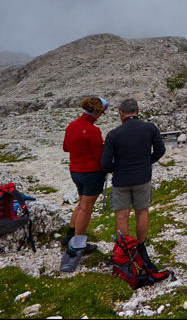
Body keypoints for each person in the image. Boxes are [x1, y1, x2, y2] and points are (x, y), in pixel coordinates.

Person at [101, 98, 165, 258]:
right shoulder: (150, 128)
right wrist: (147, 161)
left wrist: (116, 168)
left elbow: (105, 163)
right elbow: (160, 150)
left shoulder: (113, 134)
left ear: (121, 113)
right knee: (142, 212)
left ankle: (124, 251)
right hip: (142, 178)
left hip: (121, 180)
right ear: (138, 111)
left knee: (121, 215)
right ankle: (141, 247)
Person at [60, 96, 108, 255]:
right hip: (91, 173)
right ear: (98, 112)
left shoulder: (71, 126)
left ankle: (70, 236)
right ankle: (78, 244)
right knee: (86, 208)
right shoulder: (93, 130)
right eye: (102, 113)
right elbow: (99, 155)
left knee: (81, 204)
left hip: (75, 171)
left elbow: (66, 148)